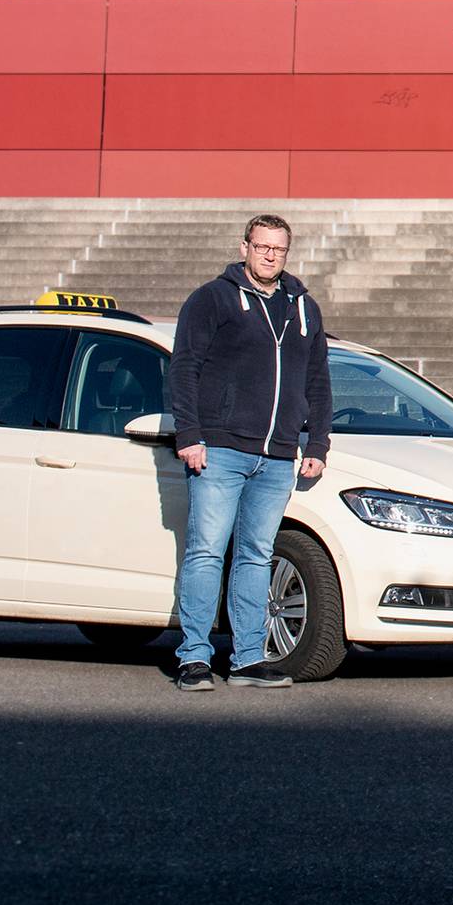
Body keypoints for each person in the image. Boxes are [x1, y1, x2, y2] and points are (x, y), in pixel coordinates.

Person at [166, 214, 330, 692]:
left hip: (278, 456)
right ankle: (194, 658)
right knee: (206, 552)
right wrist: (189, 435)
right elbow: (184, 368)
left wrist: (317, 442)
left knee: (256, 556)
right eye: (262, 247)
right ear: (244, 248)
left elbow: (318, 379)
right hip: (220, 449)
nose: (270, 256)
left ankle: (248, 659)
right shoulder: (212, 299)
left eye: (278, 249)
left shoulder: (303, 307)